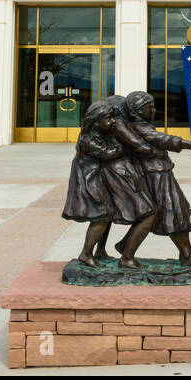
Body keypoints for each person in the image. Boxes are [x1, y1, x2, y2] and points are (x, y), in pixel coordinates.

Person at [61, 99, 156, 267]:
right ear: (96, 122)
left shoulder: (99, 134)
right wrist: (124, 146)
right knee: (102, 215)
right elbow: (108, 153)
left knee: (106, 214)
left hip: (97, 176)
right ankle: (86, 253)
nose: (113, 122)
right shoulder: (87, 140)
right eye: (109, 119)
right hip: (89, 180)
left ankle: (100, 251)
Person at [116, 90, 191, 265]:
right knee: (174, 212)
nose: (154, 110)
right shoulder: (139, 127)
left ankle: (185, 254)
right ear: (138, 110)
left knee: (171, 213)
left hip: (158, 172)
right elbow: (162, 139)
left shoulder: (138, 126)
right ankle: (186, 255)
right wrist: (190, 144)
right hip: (156, 176)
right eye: (151, 107)